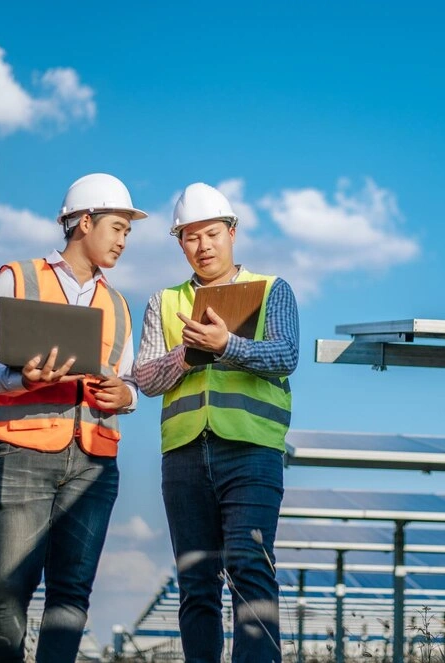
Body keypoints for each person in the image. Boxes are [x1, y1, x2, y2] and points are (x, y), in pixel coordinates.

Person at [0, 173, 145, 662]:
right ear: (84, 222)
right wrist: (22, 379)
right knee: (10, 585)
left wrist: (123, 395)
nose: (123, 240)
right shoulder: (19, 277)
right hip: (24, 450)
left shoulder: (118, 303)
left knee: (72, 594)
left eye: (128, 231)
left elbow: (128, 382)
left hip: (94, 462)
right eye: (117, 227)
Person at [134, 182, 299, 662]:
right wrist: (189, 355)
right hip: (184, 456)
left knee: (250, 567)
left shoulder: (272, 290)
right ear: (179, 242)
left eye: (211, 234)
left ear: (232, 232)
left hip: (251, 452)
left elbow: (285, 353)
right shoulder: (163, 302)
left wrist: (227, 345)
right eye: (190, 237)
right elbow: (145, 378)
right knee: (196, 578)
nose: (202, 246)